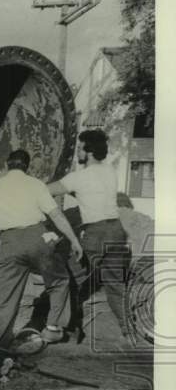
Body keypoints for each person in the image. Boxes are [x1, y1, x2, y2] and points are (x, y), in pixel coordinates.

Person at [0, 149, 83, 351]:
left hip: (10, 242)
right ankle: (53, 328)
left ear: (6, 165)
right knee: (59, 281)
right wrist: (74, 240)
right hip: (38, 238)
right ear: (26, 167)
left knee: (5, 298)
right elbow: (56, 215)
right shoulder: (36, 185)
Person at [48, 129, 132, 340]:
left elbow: (46, 190)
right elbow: (91, 193)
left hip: (96, 233)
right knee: (115, 284)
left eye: (79, 148)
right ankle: (129, 330)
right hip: (117, 232)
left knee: (68, 277)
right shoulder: (110, 172)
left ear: (89, 151)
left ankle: (65, 327)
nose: (77, 152)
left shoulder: (78, 177)